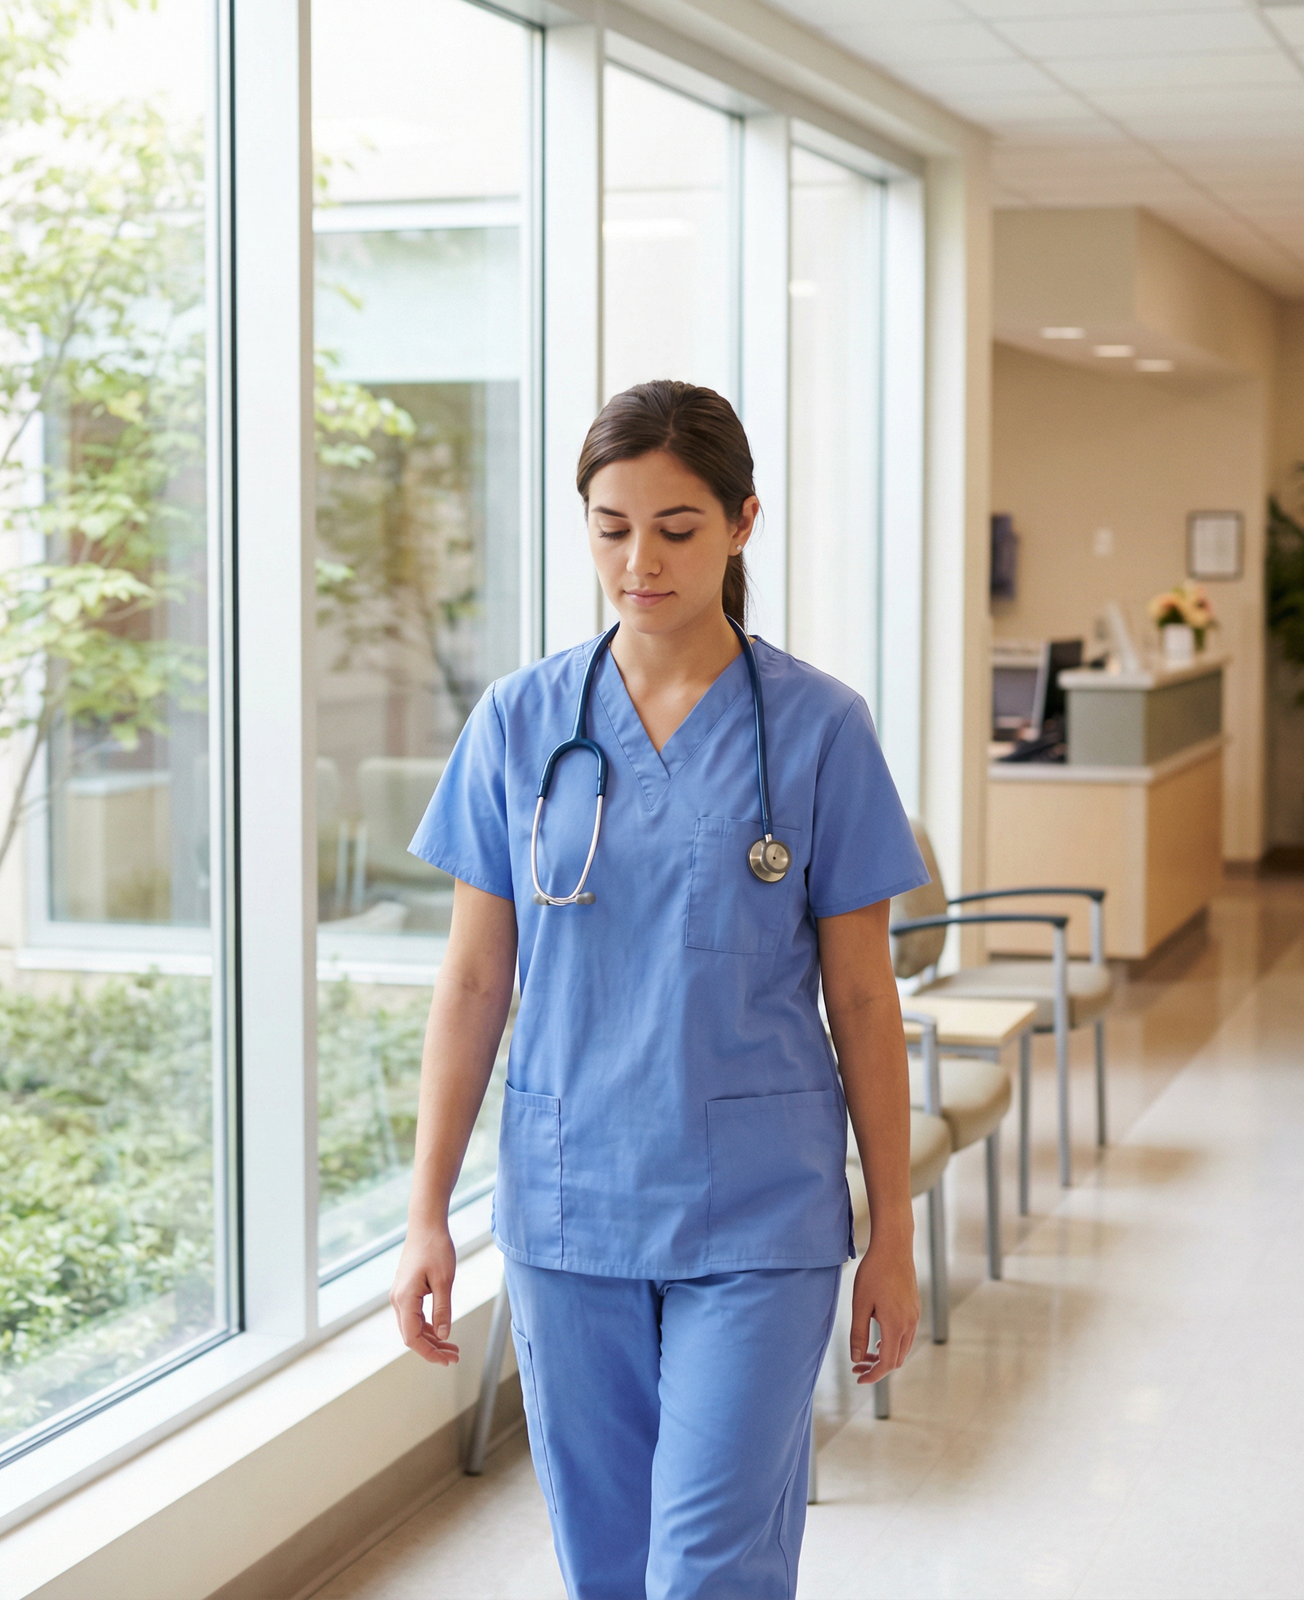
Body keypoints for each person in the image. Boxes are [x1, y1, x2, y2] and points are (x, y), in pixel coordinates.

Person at [390, 379, 927, 1600]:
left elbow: (862, 1000)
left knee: (708, 1567)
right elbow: (476, 981)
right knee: (609, 1566)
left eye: (677, 528)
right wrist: (428, 1210)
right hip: (573, 1198)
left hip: (760, 1208)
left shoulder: (818, 730)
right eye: (611, 525)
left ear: (741, 523)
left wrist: (892, 1231)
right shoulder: (523, 722)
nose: (640, 560)